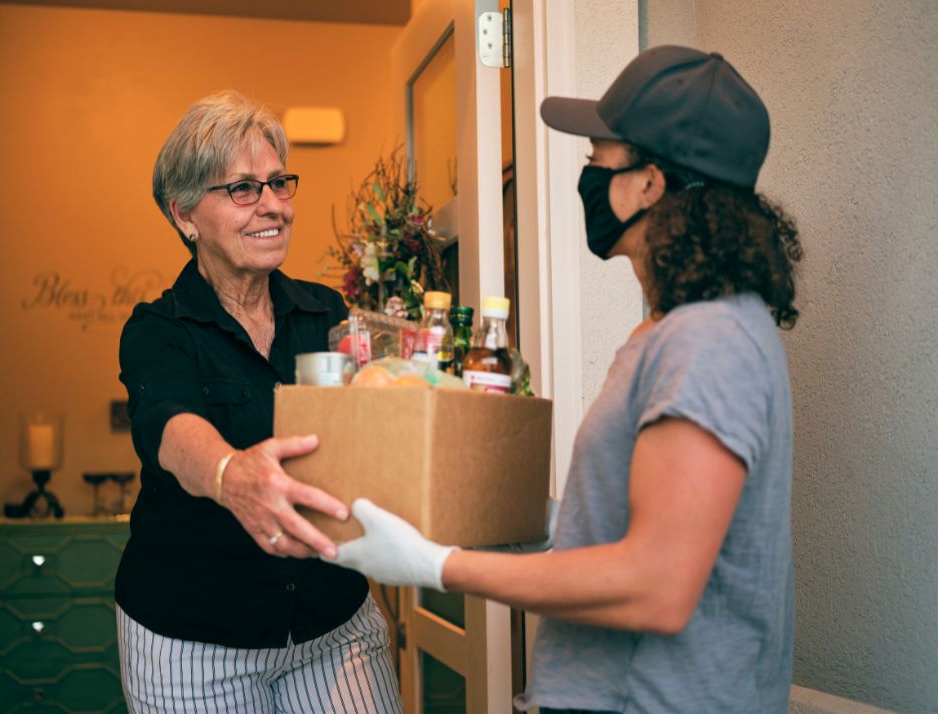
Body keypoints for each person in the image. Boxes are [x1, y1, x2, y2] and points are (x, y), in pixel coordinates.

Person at [327, 45, 803, 713]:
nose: (586, 179)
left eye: (597, 161)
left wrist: (436, 567)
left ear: (649, 183)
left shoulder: (709, 341)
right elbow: (641, 527)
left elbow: (656, 585)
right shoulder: (677, 329)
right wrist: (516, 523)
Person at [115, 90, 402, 713]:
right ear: (185, 215)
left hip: (334, 625)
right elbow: (170, 426)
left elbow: (377, 427)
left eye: (279, 183)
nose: (273, 205)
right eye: (243, 189)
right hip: (194, 641)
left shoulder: (325, 312)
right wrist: (229, 473)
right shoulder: (158, 330)